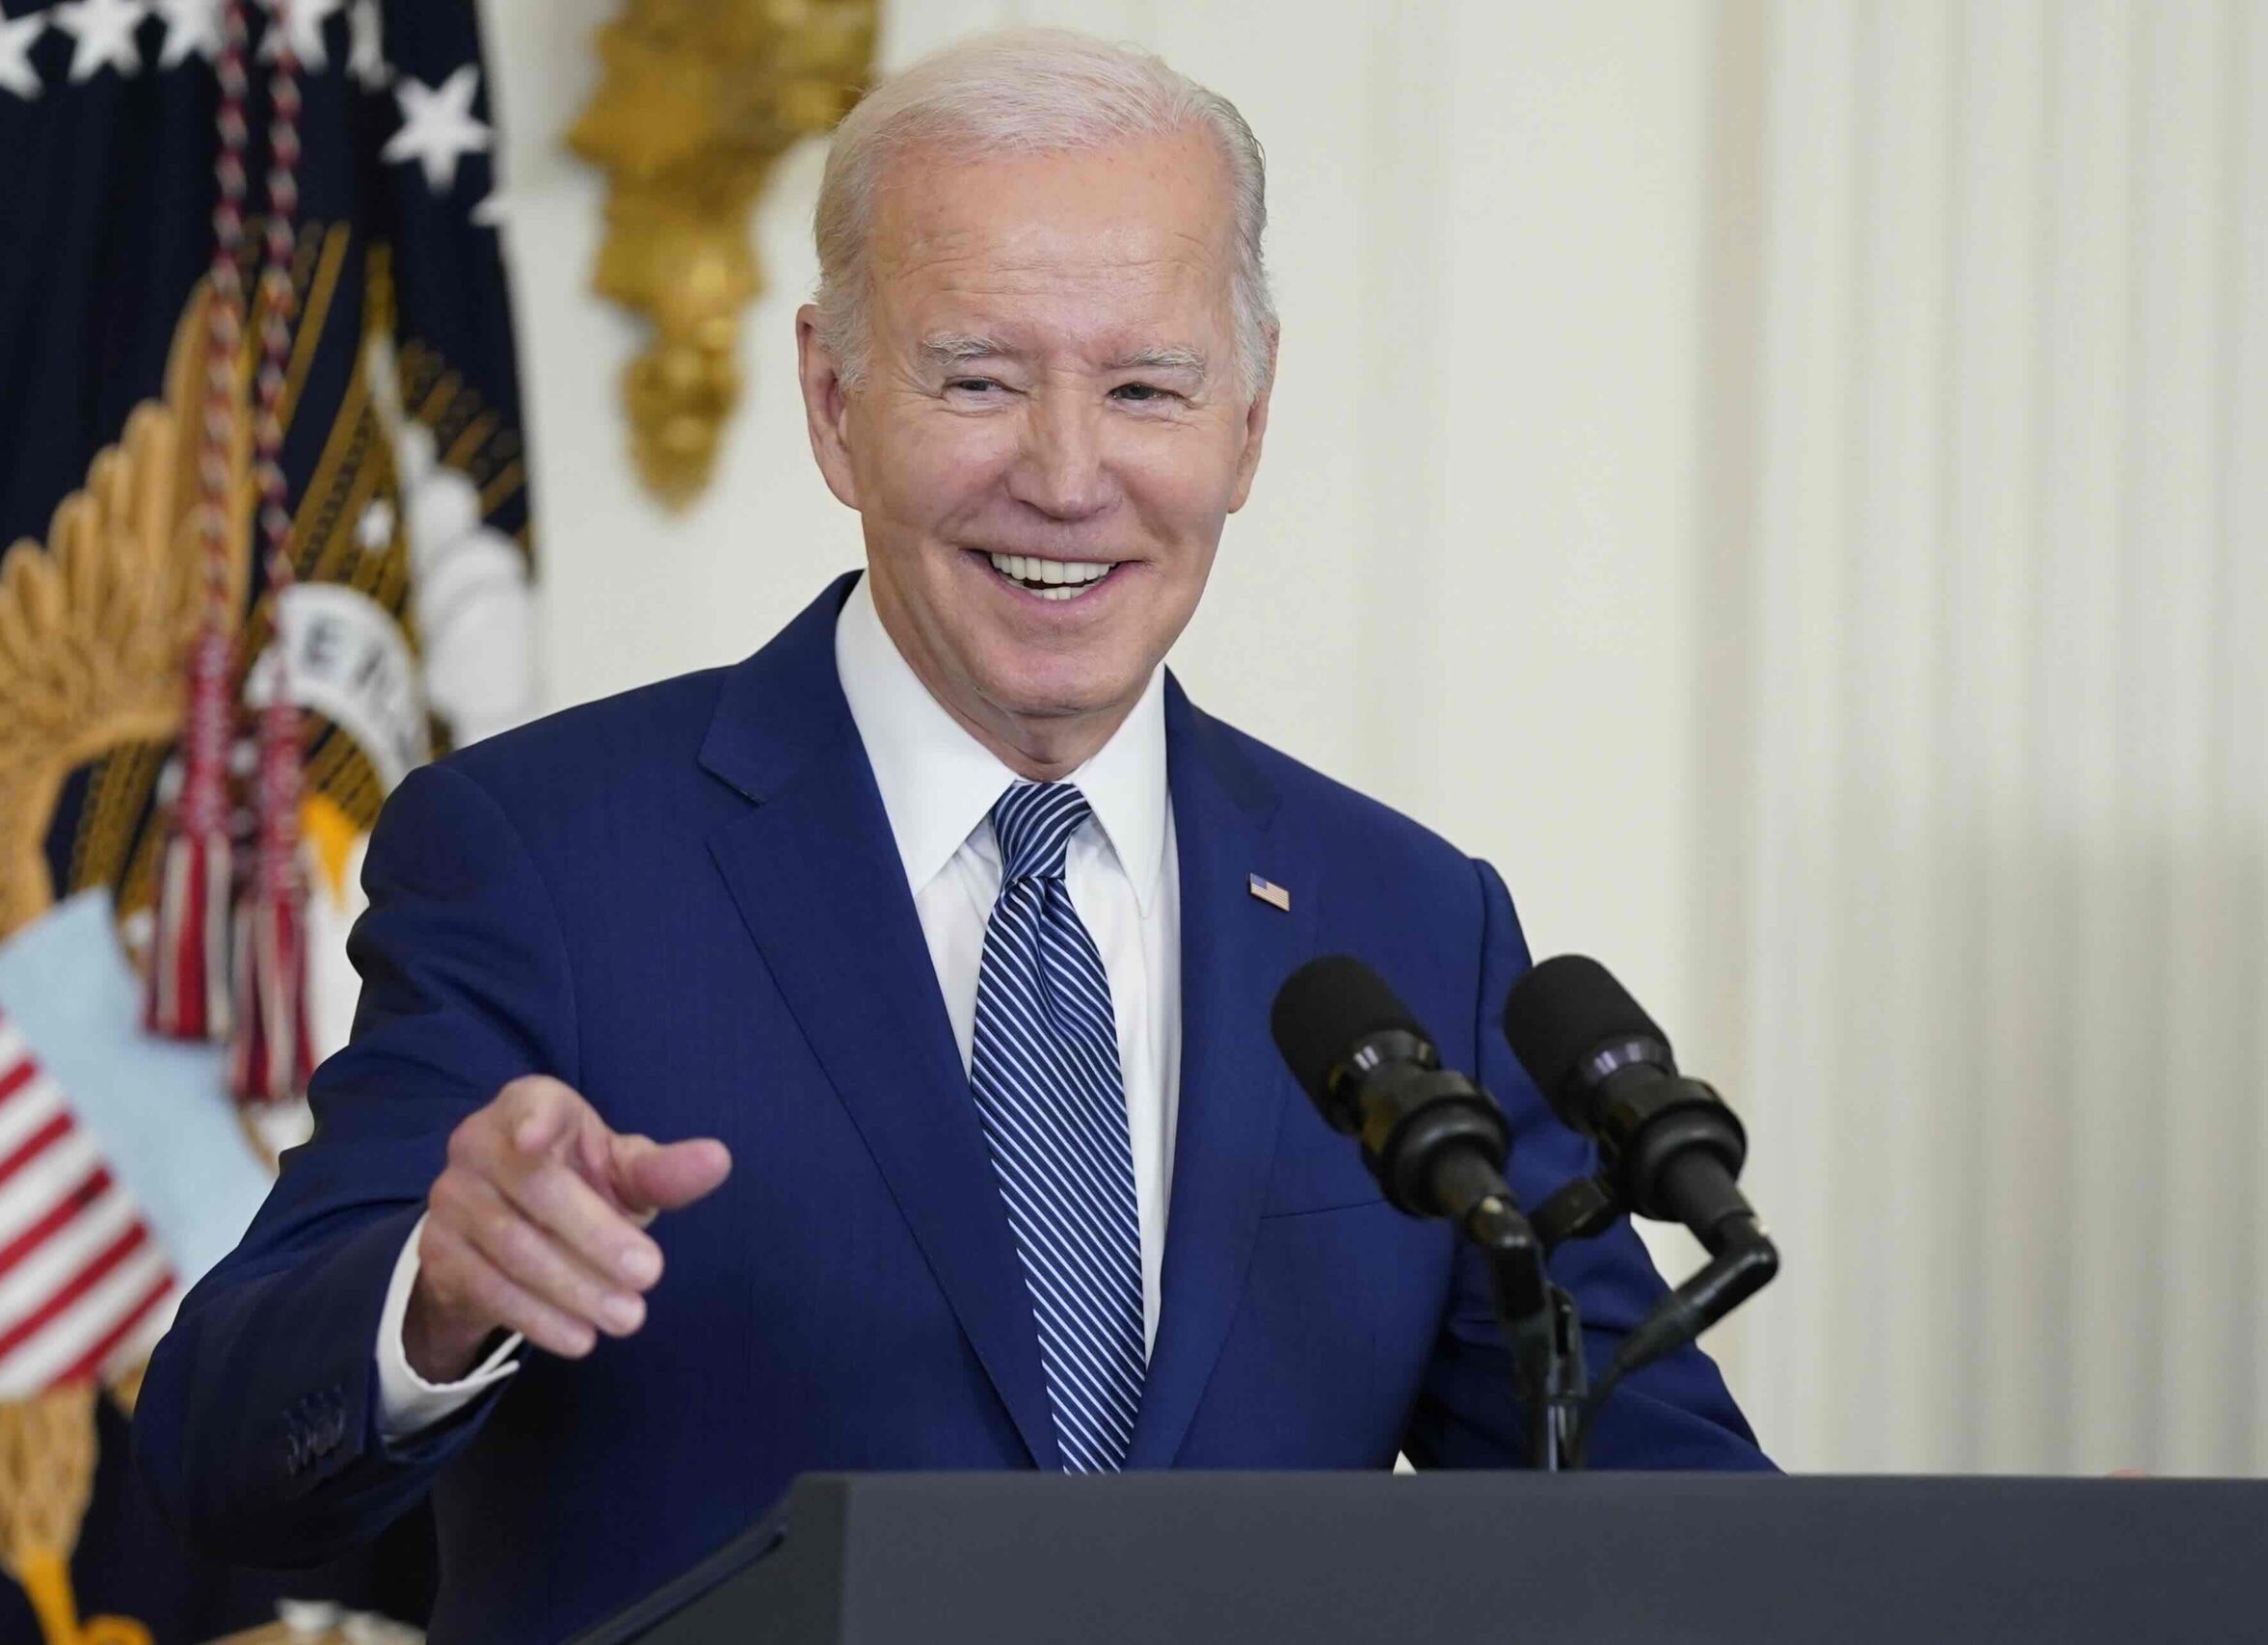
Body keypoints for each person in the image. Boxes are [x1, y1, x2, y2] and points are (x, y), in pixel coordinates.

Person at [135, 28, 1767, 1643]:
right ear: (834, 403)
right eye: (977, 380)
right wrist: (435, 1295)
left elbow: (1670, 1515)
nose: (1065, 477)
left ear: (1248, 425)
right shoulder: (548, 859)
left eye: (1147, 389)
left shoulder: (1403, 920)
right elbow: (224, 1457)